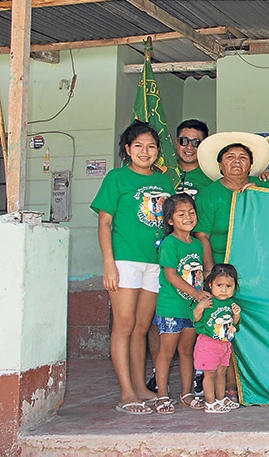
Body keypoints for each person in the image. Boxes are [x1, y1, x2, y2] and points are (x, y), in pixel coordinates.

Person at [90, 121, 174, 414]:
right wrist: (108, 264)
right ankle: (126, 392)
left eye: (151, 146)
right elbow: (104, 222)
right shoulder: (116, 178)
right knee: (124, 325)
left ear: (158, 151)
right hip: (125, 260)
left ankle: (140, 387)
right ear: (127, 150)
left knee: (141, 327)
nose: (145, 151)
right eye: (138, 146)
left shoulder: (165, 182)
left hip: (155, 262)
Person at [153, 194, 210, 413]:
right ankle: (162, 395)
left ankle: (186, 394)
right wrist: (197, 294)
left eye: (191, 213)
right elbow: (171, 275)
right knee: (166, 352)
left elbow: (201, 271)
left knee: (187, 351)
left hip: (190, 310)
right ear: (169, 220)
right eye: (181, 214)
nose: (188, 217)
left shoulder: (197, 244)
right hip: (171, 307)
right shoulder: (169, 243)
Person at [194, 132, 269, 268]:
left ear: (250, 166)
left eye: (243, 157)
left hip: (262, 264)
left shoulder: (265, 184)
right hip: (222, 266)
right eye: (230, 157)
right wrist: (210, 272)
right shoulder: (207, 195)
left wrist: (259, 193)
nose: (237, 161)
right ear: (220, 165)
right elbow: (202, 237)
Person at [193, 264, 242, 413]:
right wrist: (200, 307)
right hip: (208, 344)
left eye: (228, 286)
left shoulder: (230, 303)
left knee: (221, 372)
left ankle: (220, 400)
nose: (224, 289)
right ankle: (210, 402)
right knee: (209, 374)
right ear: (210, 284)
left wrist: (236, 316)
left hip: (224, 344)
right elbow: (196, 320)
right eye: (219, 285)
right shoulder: (208, 301)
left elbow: (233, 326)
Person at [174, 119, 213, 197]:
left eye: (196, 142)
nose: (189, 147)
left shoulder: (212, 177)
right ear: (176, 142)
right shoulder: (163, 172)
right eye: (184, 141)